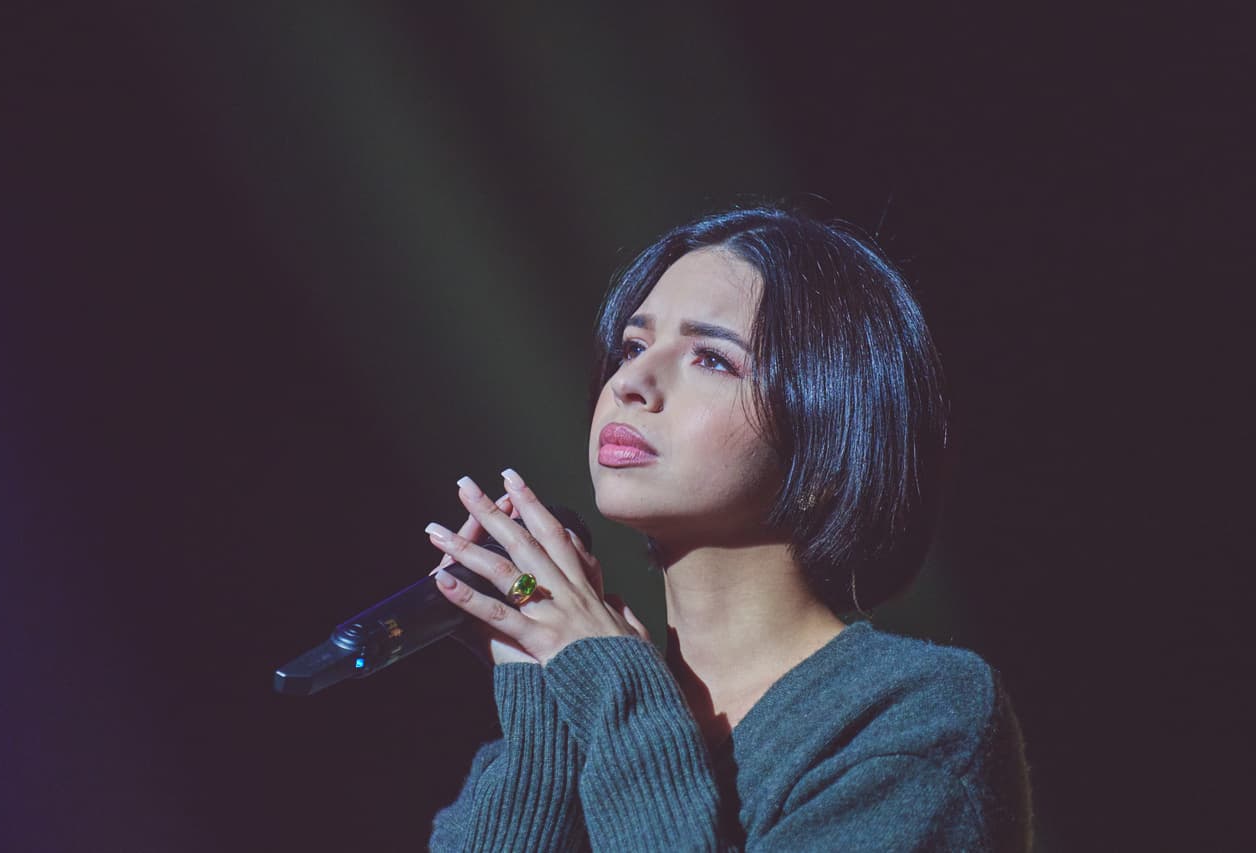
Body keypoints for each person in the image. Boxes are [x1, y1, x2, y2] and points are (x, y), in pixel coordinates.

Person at [423, 205, 1033, 851]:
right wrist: (545, 716)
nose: (630, 382)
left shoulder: (912, 714)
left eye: (712, 359)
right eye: (633, 346)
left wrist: (616, 689)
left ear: (827, 444)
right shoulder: (586, 716)